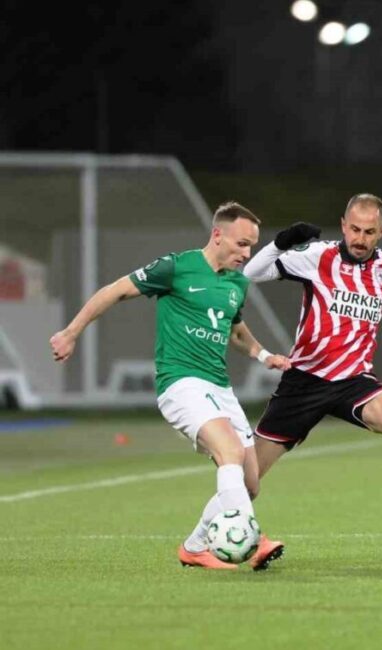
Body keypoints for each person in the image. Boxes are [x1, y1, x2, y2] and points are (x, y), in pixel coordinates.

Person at [49, 201, 291, 570]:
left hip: (219, 388)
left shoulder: (237, 285)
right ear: (217, 235)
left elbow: (235, 329)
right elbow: (114, 291)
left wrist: (262, 355)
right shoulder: (176, 267)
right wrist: (71, 332)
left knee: (250, 482)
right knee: (228, 451)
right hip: (180, 383)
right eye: (242, 244)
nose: (247, 254)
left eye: (252, 246)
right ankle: (251, 537)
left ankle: (194, 548)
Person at [241, 193, 382, 556]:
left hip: (354, 380)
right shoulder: (317, 257)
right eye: (355, 229)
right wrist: (281, 243)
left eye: (369, 232)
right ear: (343, 226)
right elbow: (250, 273)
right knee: (249, 479)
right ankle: (208, 537)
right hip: (304, 382)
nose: (360, 239)